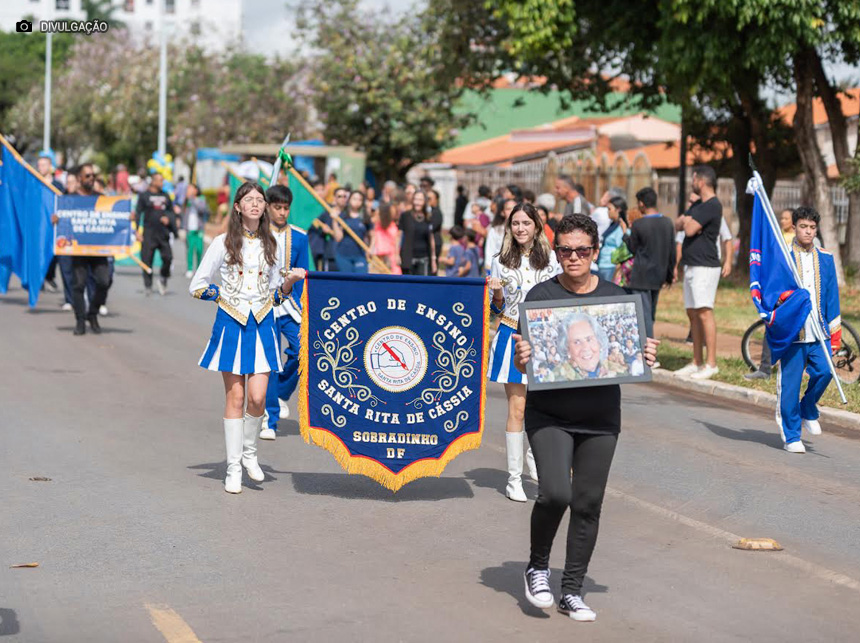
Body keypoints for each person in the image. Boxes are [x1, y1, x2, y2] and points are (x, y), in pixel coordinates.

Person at [512, 213, 659, 622]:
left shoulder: (617, 298)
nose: (572, 257)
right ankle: (537, 567)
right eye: (564, 250)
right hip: (550, 415)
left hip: (599, 418)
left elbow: (633, 359)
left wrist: (646, 357)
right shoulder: (540, 298)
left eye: (581, 250)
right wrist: (523, 359)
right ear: (555, 252)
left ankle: (572, 590)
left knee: (588, 502)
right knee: (555, 493)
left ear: (595, 252)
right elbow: (526, 365)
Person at [190, 182, 306, 493]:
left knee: (257, 398)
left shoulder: (274, 245)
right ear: (238, 206)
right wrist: (225, 297)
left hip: (264, 325)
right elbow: (198, 285)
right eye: (248, 199)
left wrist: (289, 284)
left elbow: (278, 296)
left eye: (259, 200)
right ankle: (233, 467)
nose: (255, 204)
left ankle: (250, 454)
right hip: (232, 324)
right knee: (236, 398)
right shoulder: (223, 242)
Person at [487, 202, 561, 502]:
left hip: (546, 336)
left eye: (526, 223)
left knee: (546, 406)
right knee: (517, 408)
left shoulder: (553, 260)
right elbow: (496, 310)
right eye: (515, 223)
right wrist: (496, 292)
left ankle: (535, 455)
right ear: (509, 228)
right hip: (511, 332)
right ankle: (514, 479)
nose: (520, 228)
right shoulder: (499, 262)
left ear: (536, 226)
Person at [776, 206, 841, 454]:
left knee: (825, 372)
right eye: (803, 226)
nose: (808, 231)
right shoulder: (783, 256)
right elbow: (774, 291)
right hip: (793, 332)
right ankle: (792, 436)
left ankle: (808, 408)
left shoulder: (826, 257)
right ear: (794, 227)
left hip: (819, 331)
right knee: (790, 387)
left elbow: (832, 297)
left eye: (812, 227)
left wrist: (835, 334)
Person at [262, 184, 309, 440]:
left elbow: (303, 275)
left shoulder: (300, 237)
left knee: (304, 350)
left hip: (290, 305)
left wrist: (304, 306)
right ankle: (269, 420)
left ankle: (281, 392)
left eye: (286, 207)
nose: (282, 212)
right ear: (268, 207)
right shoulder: (256, 235)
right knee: (270, 362)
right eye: (277, 207)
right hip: (263, 304)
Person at [674, 166, 722, 380]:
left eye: (693, 179)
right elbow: (678, 224)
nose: (692, 182)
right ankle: (696, 361)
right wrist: (687, 221)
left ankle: (711, 363)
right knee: (692, 313)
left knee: (704, 312)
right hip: (692, 264)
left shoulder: (712, 205)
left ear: (701, 181)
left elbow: (691, 229)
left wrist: (689, 223)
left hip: (705, 266)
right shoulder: (698, 205)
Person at [58, 164, 112, 335]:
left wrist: (127, 216)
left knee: (104, 281)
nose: (91, 179)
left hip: (98, 249)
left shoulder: (101, 198)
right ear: (80, 178)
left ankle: (93, 313)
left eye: (93, 176)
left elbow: (114, 218)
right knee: (78, 285)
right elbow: (63, 220)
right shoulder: (70, 199)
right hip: (79, 249)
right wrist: (56, 219)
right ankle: (80, 320)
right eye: (87, 176)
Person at [624, 187, 676, 339]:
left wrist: (625, 235)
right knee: (651, 314)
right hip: (659, 274)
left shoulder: (639, 224)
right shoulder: (667, 222)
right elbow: (672, 252)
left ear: (641, 204)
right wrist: (669, 275)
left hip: (641, 276)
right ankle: (649, 347)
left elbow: (633, 249)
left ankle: (648, 353)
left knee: (643, 314)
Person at [550, 314, 628, 381]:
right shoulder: (554, 378)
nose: (585, 347)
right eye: (577, 342)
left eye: (589, 339)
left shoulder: (619, 372)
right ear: (567, 350)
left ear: (599, 343)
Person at [135, 172, 176, 296]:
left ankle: (163, 278)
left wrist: (168, 219)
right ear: (153, 181)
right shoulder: (144, 196)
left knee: (168, 258)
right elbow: (138, 213)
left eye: (162, 180)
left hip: (163, 233)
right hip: (149, 233)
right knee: (147, 260)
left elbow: (171, 212)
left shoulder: (166, 195)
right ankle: (148, 285)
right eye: (159, 180)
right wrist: (137, 231)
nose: (161, 183)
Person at [398, 190, 437, 275]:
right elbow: (398, 236)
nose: (417, 203)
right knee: (408, 286)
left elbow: (431, 238)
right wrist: (396, 254)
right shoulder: (405, 216)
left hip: (424, 258)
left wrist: (433, 259)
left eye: (420, 200)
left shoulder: (428, 218)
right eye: (415, 199)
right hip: (408, 258)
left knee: (422, 285)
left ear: (424, 202)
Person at [332, 190, 371, 273]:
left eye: (359, 199)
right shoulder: (343, 216)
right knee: (347, 282)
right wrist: (334, 220)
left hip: (360, 255)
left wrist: (371, 248)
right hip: (343, 255)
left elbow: (372, 234)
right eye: (354, 198)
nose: (357, 201)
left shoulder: (365, 217)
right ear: (349, 200)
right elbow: (338, 238)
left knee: (361, 280)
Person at [309, 187, 343, 272]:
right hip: (313, 245)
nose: (320, 192)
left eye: (322, 189)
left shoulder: (329, 208)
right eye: (317, 190)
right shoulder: (308, 208)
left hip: (327, 248)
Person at [596, 196, 628, 282]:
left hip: (610, 266)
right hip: (602, 264)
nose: (607, 211)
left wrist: (617, 271)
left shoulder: (622, 228)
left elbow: (622, 249)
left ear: (618, 210)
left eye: (609, 209)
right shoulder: (612, 225)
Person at [181, 183, 210, 278]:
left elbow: (202, 210)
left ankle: (198, 269)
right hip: (189, 229)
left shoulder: (201, 199)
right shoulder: (186, 200)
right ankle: (189, 269)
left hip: (199, 229)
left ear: (196, 190)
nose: (189, 190)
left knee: (199, 250)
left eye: (191, 189)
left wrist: (192, 199)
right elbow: (183, 212)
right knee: (189, 249)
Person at [371, 202, 402, 274]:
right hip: (379, 256)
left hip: (391, 256)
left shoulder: (394, 226)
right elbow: (374, 237)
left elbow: (397, 241)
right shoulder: (378, 224)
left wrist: (397, 255)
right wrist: (371, 248)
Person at [484, 198, 515, 271]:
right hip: (499, 269)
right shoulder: (495, 230)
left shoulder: (524, 230)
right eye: (508, 209)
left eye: (514, 208)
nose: (512, 211)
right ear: (502, 212)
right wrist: (489, 270)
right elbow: (490, 251)